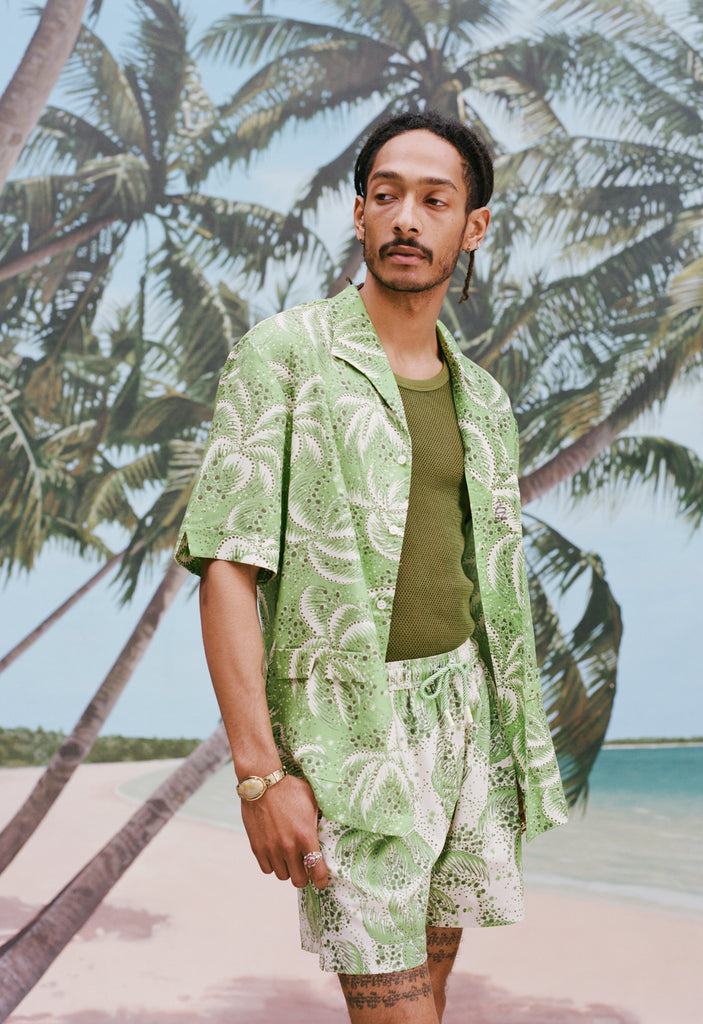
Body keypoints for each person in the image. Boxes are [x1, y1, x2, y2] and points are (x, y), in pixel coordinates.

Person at [175, 109, 567, 1023]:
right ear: (359, 216)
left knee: (429, 999)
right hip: (349, 736)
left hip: (466, 727)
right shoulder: (286, 357)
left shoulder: (487, 402)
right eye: (386, 196)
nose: (406, 219)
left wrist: (502, 756)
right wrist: (261, 776)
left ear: (472, 230)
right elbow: (228, 568)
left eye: (435, 201)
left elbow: (487, 586)